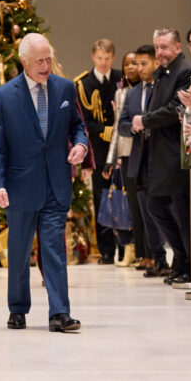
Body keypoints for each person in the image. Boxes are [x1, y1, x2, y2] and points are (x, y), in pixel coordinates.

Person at [0, 33, 88, 332]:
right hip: (20, 187)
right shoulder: (5, 96)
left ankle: (59, 312)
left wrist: (81, 145)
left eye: (48, 59)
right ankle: (17, 309)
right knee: (18, 252)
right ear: (24, 62)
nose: (46, 66)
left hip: (56, 184)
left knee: (54, 249)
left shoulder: (65, 88)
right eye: (39, 61)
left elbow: (78, 126)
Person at [131, 29, 191, 283]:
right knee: (155, 206)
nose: (160, 52)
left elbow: (177, 108)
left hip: (175, 153)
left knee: (181, 212)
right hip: (158, 153)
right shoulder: (163, 73)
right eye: (157, 47)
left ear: (177, 48)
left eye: (165, 47)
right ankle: (180, 258)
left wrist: (145, 120)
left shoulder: (185, 71)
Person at [118, 45, 169, 277]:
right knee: (144, 212)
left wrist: (146, 122)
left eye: (142, 64)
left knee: (164, 211)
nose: (138, 68)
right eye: (136, 64)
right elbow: (123, 125)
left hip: (161, 156)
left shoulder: (162, 88)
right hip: (138, 159)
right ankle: (156, 258)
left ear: (155, 64)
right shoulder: (132, 93)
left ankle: (177, 258)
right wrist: (137, 126)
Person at [74, 39, 122, 264]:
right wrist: (107, 131)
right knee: (102, 197)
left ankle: (126, 247)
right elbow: (84, 120)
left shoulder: (121, 78)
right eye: (99, 58)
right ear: (93, 57)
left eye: (107, 58)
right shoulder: (83, 84)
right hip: (99, 149)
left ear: (112, 57)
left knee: (123, 195)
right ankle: (106, 251)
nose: (103, 63)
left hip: (122, 147)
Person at [104, 51, 141, 267]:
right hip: (125, 154)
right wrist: (112, 158)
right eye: (126, 64)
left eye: (135, 64)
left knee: (144, 204)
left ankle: (145, 249)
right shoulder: (121, 94)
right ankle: (131, 247)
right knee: (127, 205)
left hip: (145, 151)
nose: (130, 68)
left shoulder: (148, 89)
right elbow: (118, 127)